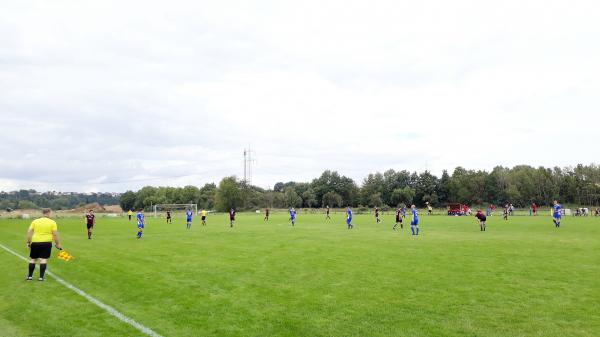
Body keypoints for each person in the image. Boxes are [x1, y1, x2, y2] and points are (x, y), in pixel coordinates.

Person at [26, 208, 62, 281]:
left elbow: (29, 232)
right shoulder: (52, 222)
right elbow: (55, 234)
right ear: (48, 213)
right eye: (51, 213)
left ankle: (29, 277)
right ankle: (41, 277)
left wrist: (28, 242)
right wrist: (57, 244)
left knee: (33, 259)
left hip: (35, 242)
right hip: (46, 242)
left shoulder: (35, 221)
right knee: (43, 259)